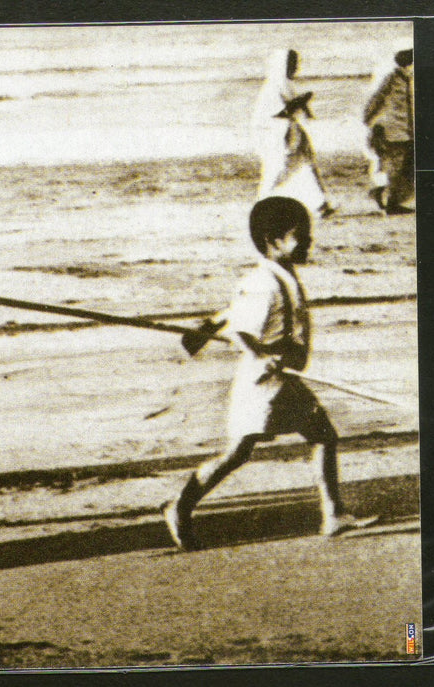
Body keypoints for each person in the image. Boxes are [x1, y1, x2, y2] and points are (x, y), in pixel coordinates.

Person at [163, 196, 377, 551]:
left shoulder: (278, 275)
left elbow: (232, 314)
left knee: (313, 436)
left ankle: (333, 513)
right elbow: (241, 330)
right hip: (266, 380)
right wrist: (260, 355)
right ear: (272, 240)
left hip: (280, 378)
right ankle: (180, 507)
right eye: (300, 235)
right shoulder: (265, 281)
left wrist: (210, 325)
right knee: (244, 452)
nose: (308, 241)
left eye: (308, 234)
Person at [252, 49, 336, 219]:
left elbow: (293, 108)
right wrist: (301, 101)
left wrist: (302, 104)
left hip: (292, 133)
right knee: (278, 170)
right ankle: (262, 204)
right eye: (292, 64)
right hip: (279, 136)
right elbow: (281, 112)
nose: (296, 67)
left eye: (296, 63)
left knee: (307, 166)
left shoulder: (285, 84)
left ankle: (320, 204)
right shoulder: (273, 86)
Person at [363, 47, 414, 214]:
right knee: (397, 169)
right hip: (394, 132)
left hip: (405, 132)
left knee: (402, 168)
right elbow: (376, 101)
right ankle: (391, 201)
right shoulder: (393, 80)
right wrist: (369, 121)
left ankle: (385, 196)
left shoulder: (404, 79)